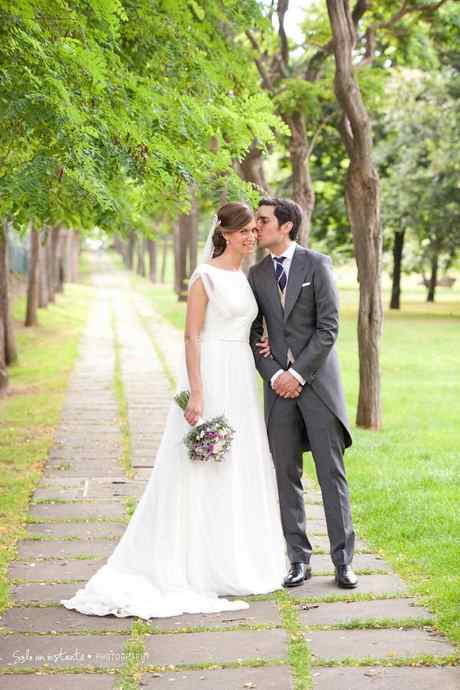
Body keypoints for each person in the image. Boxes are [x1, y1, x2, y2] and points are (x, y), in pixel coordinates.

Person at [60, 202, 288, 620]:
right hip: (212, 376)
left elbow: (249, 327)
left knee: (237, 462)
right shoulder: (205, 278)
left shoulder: (244, 277)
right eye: (243, 232)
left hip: (240, 375)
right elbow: (191, 338)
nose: (251, 237)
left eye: (254, 231)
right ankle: (193, 562)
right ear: (224, 234)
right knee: (201, 465)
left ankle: (232, 557)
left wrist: (267, 345)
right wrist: (197, 394)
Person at [248, 197, 358, 589]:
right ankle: (298, 559)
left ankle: (343, 561)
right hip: (278, 390)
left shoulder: (317, 264)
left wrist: (298, 373)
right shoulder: (256, 273)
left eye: (262, 220)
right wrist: (275, 374)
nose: (255, 227)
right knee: (285, 475)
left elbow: (328, 327)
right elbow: (253, 333)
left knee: (331, 474)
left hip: (317, 387)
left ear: (287, 226)